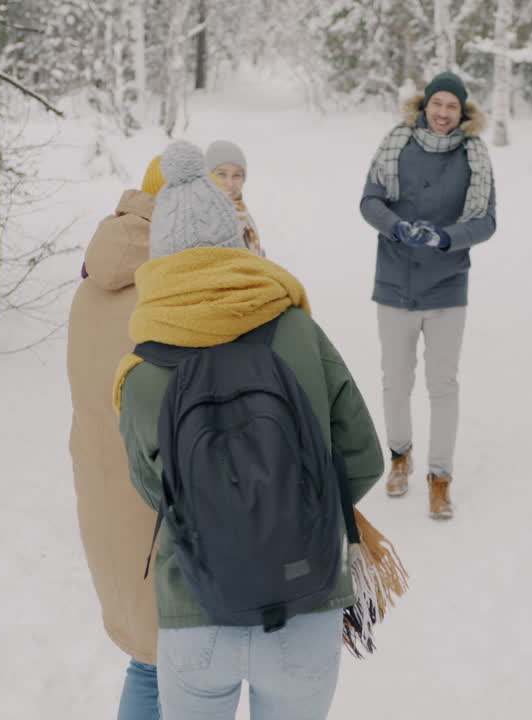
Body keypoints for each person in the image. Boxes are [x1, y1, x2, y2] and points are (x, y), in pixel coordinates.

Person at [114, 140, 383, 720]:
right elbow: (361, 457)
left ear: (159, 256)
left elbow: (153, 488)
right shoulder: (297, 331)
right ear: (234, 239)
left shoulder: (139, 367)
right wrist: (288, 510)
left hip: (195, 611)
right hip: (307, 604)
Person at [358, 71, 498, 521]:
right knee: (396, 380)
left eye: (451, 107)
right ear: (424, 106)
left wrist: (445, 238)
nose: (442, 113)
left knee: (443, 384)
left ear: (463, 113)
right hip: (395, 282)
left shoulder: (474, 156)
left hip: (447, 285)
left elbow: (487, 220)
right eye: (436, 104)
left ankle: (441, 479)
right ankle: (400, 456)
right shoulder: (397, 143)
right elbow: (369, 200)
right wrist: (395, 227)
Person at [66, 155, 166, 720]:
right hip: (153, 504)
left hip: (104, 493)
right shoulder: (164, 290)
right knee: (165, 666)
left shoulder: (92, 280)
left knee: (146, 659)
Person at [205, 139, 264, 256]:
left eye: (236, 175)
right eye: (222, 174)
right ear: (207, 177)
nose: (230, 183)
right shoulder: (202, 219)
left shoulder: (242, 212)